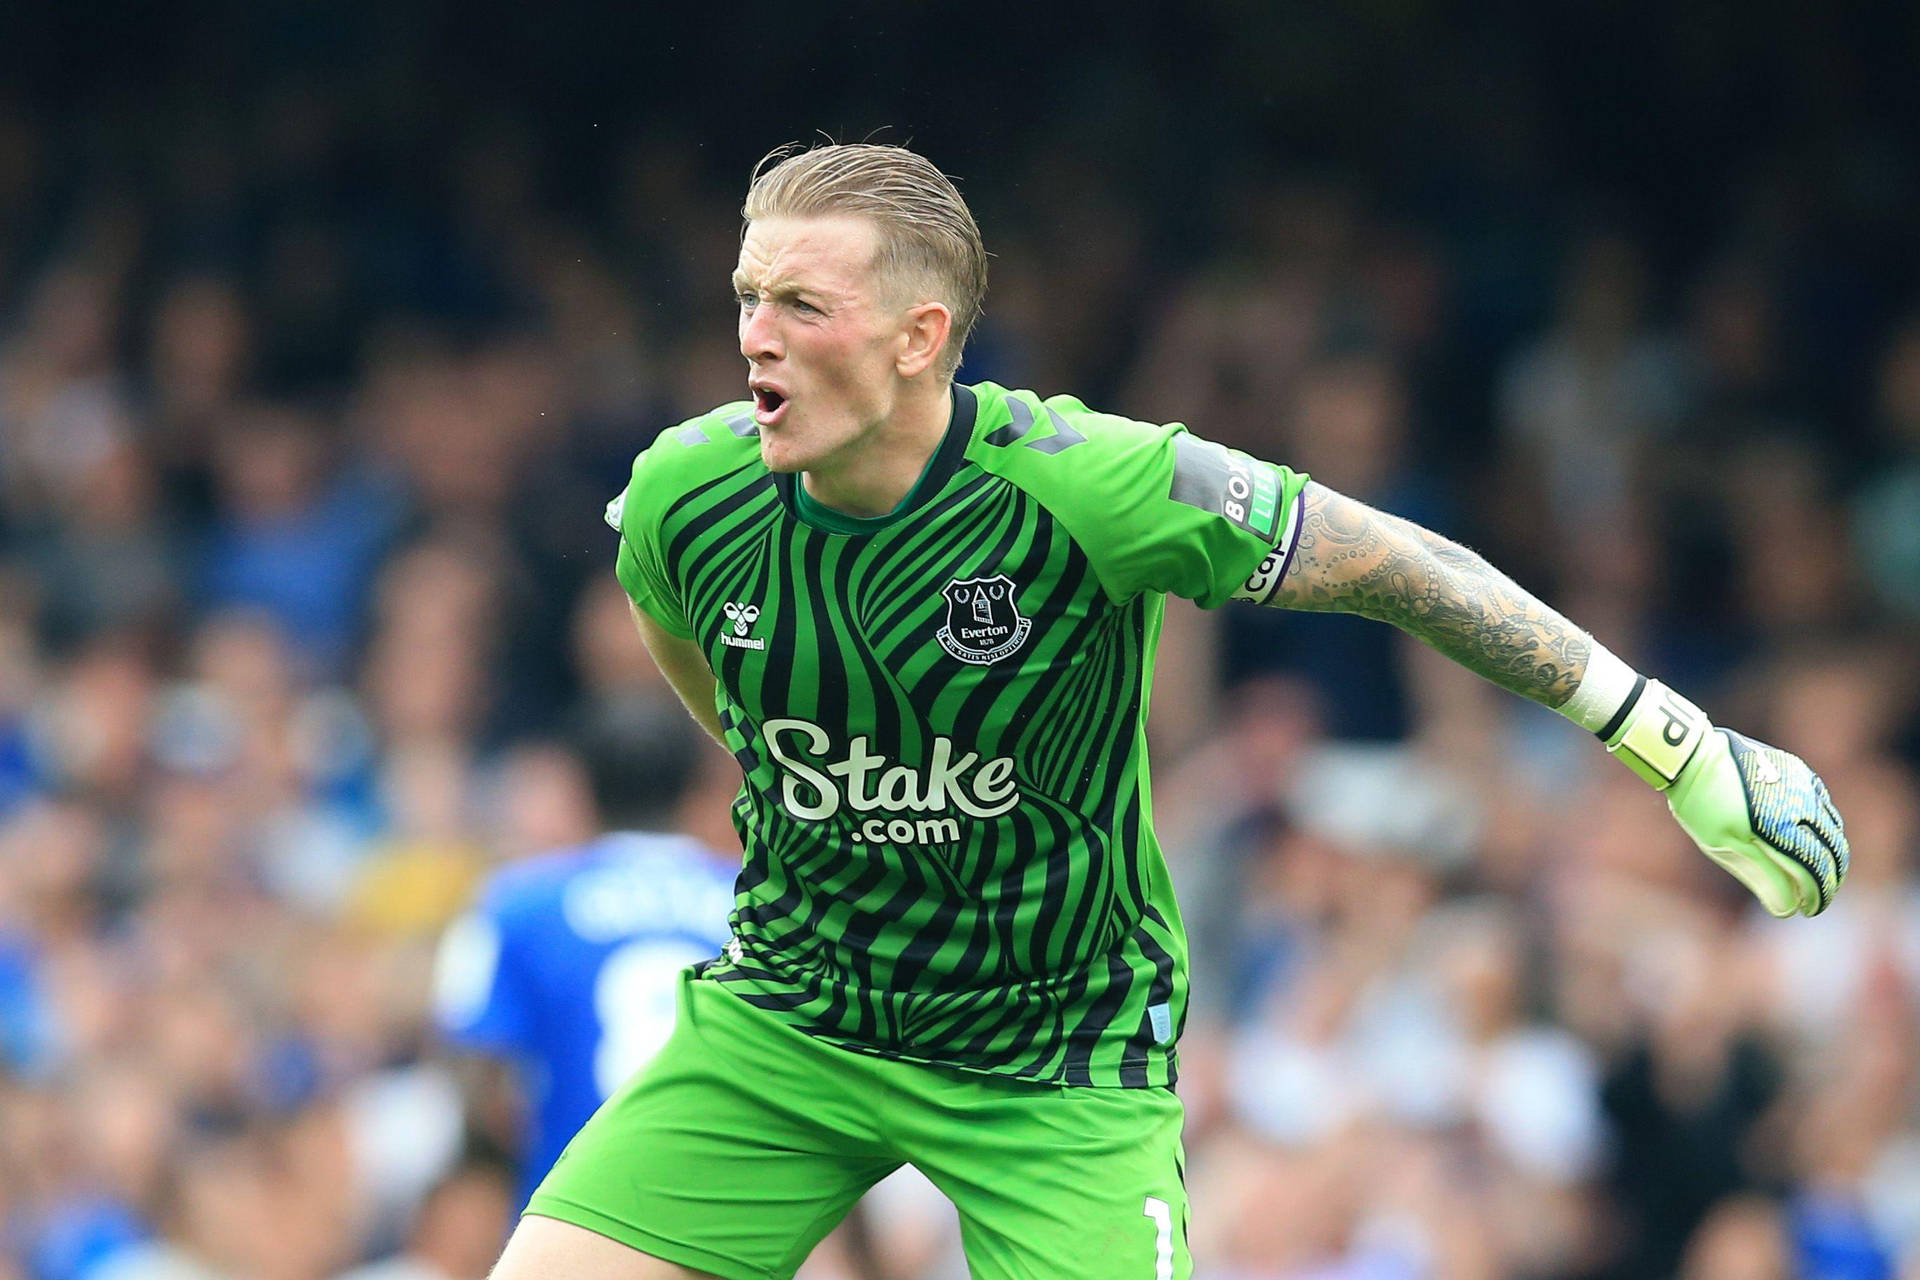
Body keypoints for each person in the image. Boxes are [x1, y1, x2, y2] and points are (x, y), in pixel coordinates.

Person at [490, 143, 1849, 1280]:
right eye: (746, 296)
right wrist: (789, 768)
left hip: (1052, 1055)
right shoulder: (691, 494)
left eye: (799, 304)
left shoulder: (1090, 487)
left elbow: (1406, 566)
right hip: (798, 1018)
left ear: (921, 339)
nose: (753, 339)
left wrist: (1674, 745)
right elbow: (685, 646)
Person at [433, 696, 734, 1206]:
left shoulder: (513, 903)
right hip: (725, 1223)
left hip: (572, 1218)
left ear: (583, 788)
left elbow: (479, 1082)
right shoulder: (756, 903)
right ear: (693, 788)